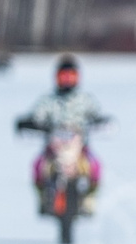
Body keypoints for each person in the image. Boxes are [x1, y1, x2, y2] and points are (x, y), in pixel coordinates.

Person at [15, 54, 111, 213]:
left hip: (79, 147)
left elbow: (96, 115)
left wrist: (100, 121)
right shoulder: (48, 101)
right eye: (63, 76)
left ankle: (89, 199)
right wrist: (30, 123)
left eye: (70, 76)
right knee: (38, 165)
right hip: (53, 148)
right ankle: (43, 198)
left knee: (95, 166)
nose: (67, 80)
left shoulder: (85, 99)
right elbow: (37, 116)